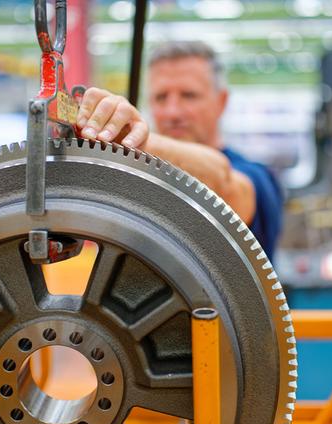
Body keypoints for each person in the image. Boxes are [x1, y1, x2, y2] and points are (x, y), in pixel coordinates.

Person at [77, 41, 283, 260]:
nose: (172, 112)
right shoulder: (138, 177)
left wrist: (130, 143)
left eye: (189, 95)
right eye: (161, 97)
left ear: (221, 102)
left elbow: (221, 184)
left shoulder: (258, 178)